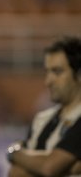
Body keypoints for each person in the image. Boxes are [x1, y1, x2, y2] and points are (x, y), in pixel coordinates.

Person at [6, 36, 81, 177]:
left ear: (79, 74)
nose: (48, 81)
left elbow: (49, 167)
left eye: (57, 72)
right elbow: (15, 172)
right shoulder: (42, 120)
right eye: (47, 72)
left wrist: (13, 154)